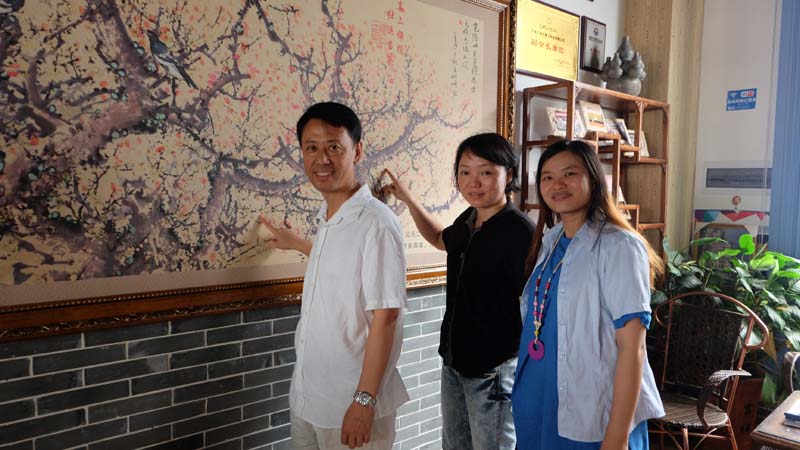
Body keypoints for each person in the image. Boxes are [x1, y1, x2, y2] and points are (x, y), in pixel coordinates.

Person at [260, 102, 409, 450]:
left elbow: (386, 316)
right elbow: (340, 265)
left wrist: (364, 402)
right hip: (309, 397)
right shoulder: (329, 216)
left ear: (356, 151)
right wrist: (297, 243)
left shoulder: (377, 223)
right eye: (311, 148)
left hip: (351, 404)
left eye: (333, 147)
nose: (322, 159)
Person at [382, 133, 534, 450]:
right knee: (454, 445)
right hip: (454, 361)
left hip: (492, 368)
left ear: (509, 176)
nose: (474, 182)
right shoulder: (468, 219)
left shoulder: (519, 231)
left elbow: (532, 303)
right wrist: (408, 199)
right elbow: (440, 239)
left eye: (486, 172)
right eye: (465, 172)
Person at [511, 139, 665, 450]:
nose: (557, 185)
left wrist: (617, 436)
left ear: (593, 180)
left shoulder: (619, 246)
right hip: (539, 401)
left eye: (569, 174)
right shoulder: (552, 240)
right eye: (547, 177)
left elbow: (632, 348)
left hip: (593, 409)